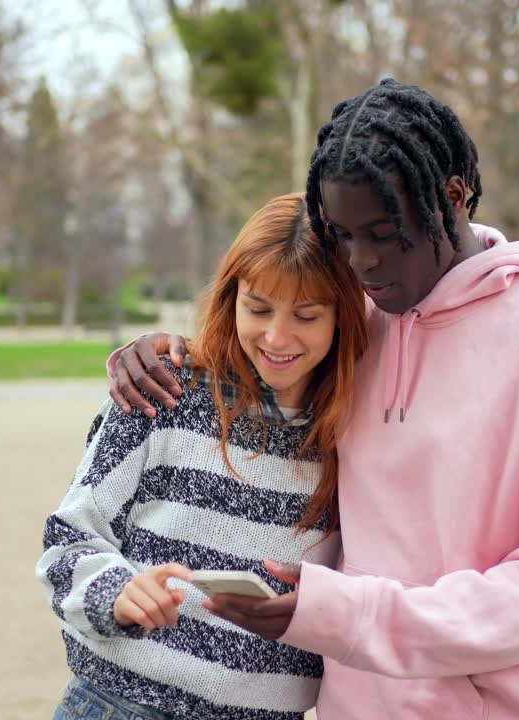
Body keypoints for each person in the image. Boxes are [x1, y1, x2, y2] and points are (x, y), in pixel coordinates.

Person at [107, 79, 519, 719]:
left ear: (453, 196)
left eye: (384, 233)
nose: (360, 261)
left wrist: (351, 614)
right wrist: (162, 352)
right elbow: (268, 346)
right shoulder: (357, 323)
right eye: (343, 236)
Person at [37, 193, 369, 720]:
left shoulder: (355, 433)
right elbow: (68, 537)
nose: (277, 336)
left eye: (306, 316)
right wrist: (116, 591)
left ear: (343, 317)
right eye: (258, 308)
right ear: (230, 297)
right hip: (121, 704)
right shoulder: (165, 391)